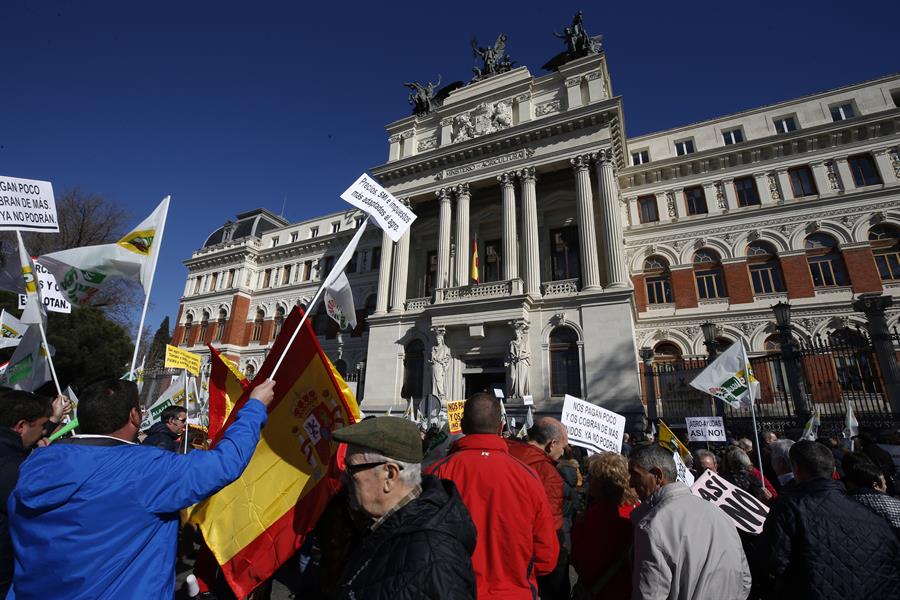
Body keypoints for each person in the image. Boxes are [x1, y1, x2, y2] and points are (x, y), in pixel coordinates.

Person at [7, 377, 275, 600]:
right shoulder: (145, 470)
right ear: (134, 415)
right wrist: (254, 407)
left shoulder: (35, 462)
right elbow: (225, 464)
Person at [427, 393, 559, 599]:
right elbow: (546, 557)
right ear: (500, 428)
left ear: (461, 425)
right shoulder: (528, 477)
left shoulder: (435, 474)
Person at [330, 416, 476, 599]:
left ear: (390, 475)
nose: (344, 478)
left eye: (351, 469)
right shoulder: (379, 526)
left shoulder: (434, 560)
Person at [752, 440, 900, 599]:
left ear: (797, 469)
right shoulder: (870, 515)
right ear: (833, 469)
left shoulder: (788, 509)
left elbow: (769, 563)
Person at [628, 444, 751, 600]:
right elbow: (744, 579)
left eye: (635, 474)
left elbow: (649, 595)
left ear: (657, 475)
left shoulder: (652, 526)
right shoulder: (720, 514)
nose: (631, 483)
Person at [506, 417, 568, 599]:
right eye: (563, 447)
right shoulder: (549, 474)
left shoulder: (503, 451)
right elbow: (550, 530)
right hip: (525, 563)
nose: (563, 453)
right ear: (552, 444)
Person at [0, 390, 53, 599]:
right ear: (21, 426)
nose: (43, 433)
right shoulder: (15, 470)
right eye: (42, 426)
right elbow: (39, 510)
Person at [571, 452, 638, 600]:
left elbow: (584, 562)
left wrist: (578, 527)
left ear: (603, 483)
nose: (588, 481)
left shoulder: (600, 515)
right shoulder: (638, 509)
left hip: (602, 592)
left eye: (592, 477)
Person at [843, 457, 900, 533]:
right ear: (875, 485)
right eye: (884, 483)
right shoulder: (893, 506)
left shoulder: (845, 499)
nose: (886, 487)